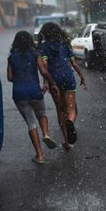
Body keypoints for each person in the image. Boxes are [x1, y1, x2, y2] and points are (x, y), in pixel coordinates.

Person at [7, 31, 60, 164]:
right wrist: (52, 83)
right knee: (41, 113)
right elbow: (43, 71)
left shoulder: (12, 57)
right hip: (35, 91)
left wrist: (19, 78)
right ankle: (46, 134)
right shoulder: (35, 54)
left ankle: (40, 156)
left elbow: (9, 77)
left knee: (31, 123)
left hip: (19, 94)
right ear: (31, 41)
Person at [38, 22, 87, 151]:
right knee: (71, 110)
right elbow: (74, 64)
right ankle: (71, 121)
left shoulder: (43, 47)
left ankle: (67, 142)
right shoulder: (65, 44)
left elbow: (44, 66)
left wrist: (46, 83)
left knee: (60, 110)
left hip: (54, 80)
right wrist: (82, 77)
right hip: (68, 77)